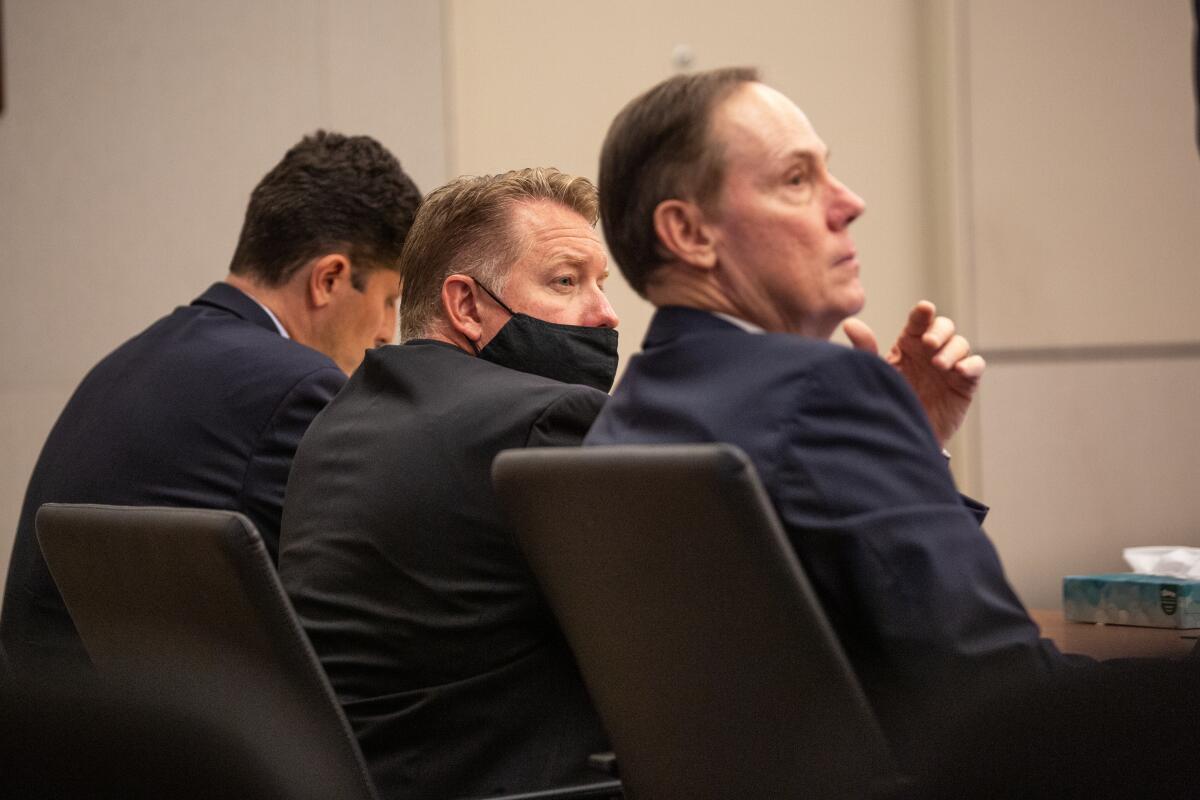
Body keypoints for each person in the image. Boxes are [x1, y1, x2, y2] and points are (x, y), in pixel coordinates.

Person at [586, 67, 1073, 758]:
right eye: (797, 179)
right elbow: (1000, 688)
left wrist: (910, 444)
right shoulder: (826, 391)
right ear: (690, 233)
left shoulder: (626, 417)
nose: (849, 202)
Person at [1, 131, 421, 679]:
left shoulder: (130, 359)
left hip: (54, 733)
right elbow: (364, 610)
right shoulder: (298, 386)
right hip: (151, 747)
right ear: (330, 279)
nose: (388, 333)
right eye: (389, 299)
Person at [278, 168, 619, 800]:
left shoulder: (339, 420)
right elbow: (652, 650)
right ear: (465, 304)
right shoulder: (549, 418)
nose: (604, 313)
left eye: (601, 284)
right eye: (566, 281)